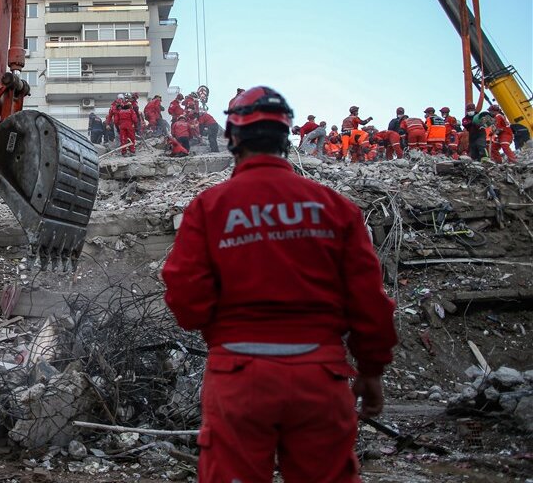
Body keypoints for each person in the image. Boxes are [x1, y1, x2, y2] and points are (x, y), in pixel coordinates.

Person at [163, 86, 397, 483]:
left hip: (238, 375)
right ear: (286, 137)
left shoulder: (209, 207)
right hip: (320, 379)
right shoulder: (335, 207)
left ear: (232, 138)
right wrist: (371, 371)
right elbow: (369, 301)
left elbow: (185, 295)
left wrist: (220, 330)